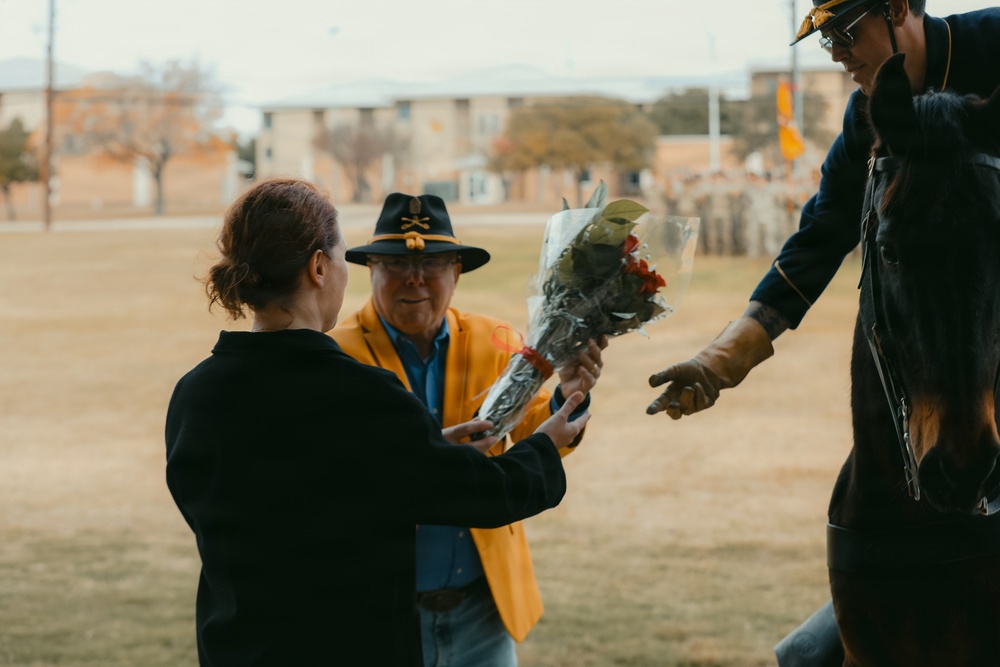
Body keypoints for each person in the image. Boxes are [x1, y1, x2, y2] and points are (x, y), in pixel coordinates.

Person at [643, 1, 1000, 665]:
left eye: (845, 30)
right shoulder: (866, 117)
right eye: (826, 37)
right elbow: (817, 240)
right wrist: (720, 360)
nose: (835, 51)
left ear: (897, 8)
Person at [164, 178, 590, 667]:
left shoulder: (195, 394)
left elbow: (298, 489)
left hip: (239, 647)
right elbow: (481, 494)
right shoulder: (364, 395)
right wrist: (544, 444)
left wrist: (423, 452)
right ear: (319, 267)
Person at [331, 192, 606, 667]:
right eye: (396, 264)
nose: (414, 278)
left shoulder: (497, 341)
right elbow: (327, 470)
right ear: (371, 269)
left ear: (456, 273)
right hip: (379, 611)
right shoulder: (335, 356)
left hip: (483, 610)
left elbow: (535, 434)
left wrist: (568, 395)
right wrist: (430, 457)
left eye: (433, 264)